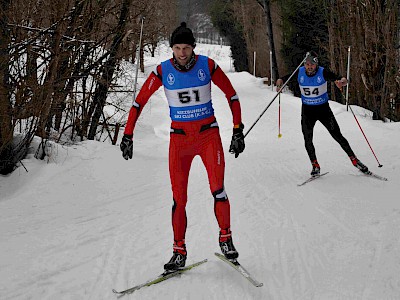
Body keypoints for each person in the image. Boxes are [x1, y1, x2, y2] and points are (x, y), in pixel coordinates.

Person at [120, 22, 245, 271]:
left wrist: (238, 130)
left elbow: (231, 96)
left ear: (193, 47)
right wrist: (128, 134)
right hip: (180, 140)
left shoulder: (207, 66)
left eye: (186, 47)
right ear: (172, 48)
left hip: (208, 136)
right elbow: (138, 103)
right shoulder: (162, 71)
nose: (182, 53)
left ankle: (226, 237)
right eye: (177, 48)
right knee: (179, 199)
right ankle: (179, 251)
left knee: (218, 189)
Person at [276, 51, 369, 176]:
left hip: (323, 110)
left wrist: (342, 81)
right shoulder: (300, 72)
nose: (309, 67)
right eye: (307, 64)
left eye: (312, 64)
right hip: (308, 111)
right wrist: (280, 82)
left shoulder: (322, 72)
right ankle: (315, 165)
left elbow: (339, 78)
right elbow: (283, 78)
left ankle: (354, 160)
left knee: (337, 135)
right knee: (307, 139)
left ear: (316, 64)